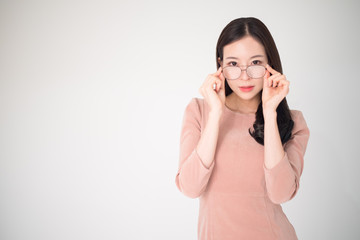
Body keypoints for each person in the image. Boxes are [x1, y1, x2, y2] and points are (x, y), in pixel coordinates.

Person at [175, 17, 310, 240]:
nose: (244, 76)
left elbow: (281, 193)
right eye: (233, 64)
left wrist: (269, 112)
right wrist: (216, 113)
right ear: (220, 65)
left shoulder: (292, 122)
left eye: (256, 63)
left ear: (270, 64)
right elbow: (190, 187)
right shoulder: (199, 111)